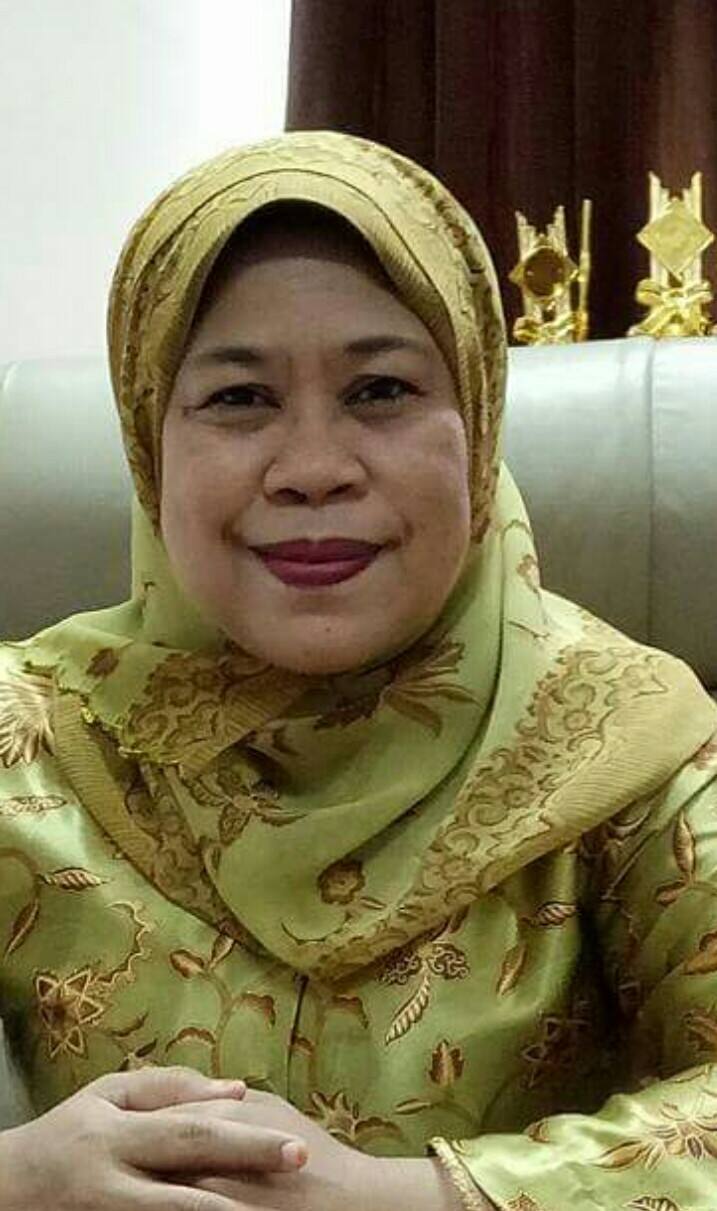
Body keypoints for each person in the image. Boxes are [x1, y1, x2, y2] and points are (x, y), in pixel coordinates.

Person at [0, 130, 716, 1211]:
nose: (313, 468)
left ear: (477, 422)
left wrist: (408, 1196)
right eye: (238, 398)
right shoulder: (31, 741)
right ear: (150, 444)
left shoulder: (624, 740)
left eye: (380, 389)